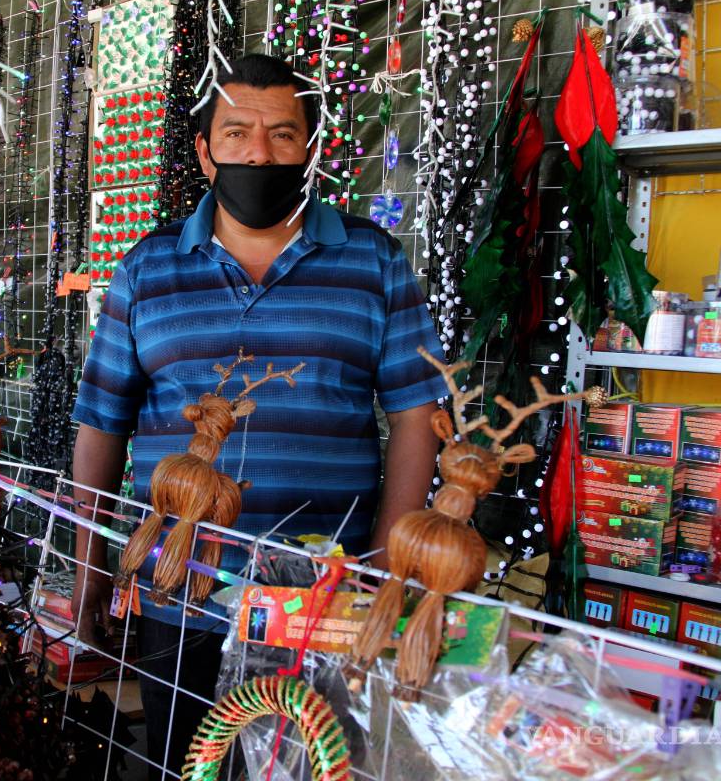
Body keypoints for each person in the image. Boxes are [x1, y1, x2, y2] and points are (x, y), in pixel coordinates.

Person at [69, 53, 445, 779]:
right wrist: (89, 578)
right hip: (180, 594)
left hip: (323, 597)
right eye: (237, 133)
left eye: (281, 133)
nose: (259, 152)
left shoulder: (373, 261)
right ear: (206, 152)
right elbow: (100, 424)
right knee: (184, 765)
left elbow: (414, 416)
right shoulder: (146, 269)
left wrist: (383, 572)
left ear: (309, 148)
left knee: (316, 768)